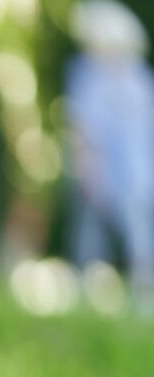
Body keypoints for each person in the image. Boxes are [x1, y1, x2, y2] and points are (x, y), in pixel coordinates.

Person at [65, 0, 154, 302]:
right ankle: (85, 289)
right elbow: (82, 126)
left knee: (138, 231)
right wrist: (86, 165)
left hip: (136, 169)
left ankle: (143, 289)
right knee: (90, 231)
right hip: (99, 167)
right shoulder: (87, 75)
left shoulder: (139, 79)